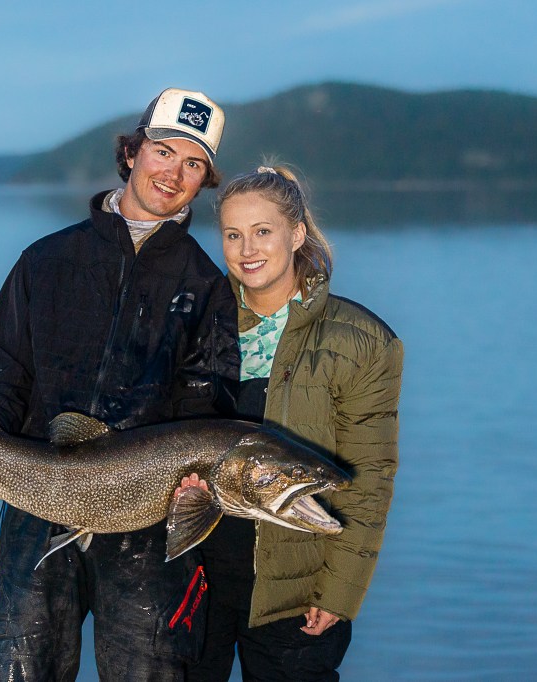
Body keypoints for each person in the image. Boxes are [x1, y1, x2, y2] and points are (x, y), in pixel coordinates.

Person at [0, 88, 240, 681]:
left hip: (150, 521)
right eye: (163, 152)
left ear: (204, 181)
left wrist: (198, 482)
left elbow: (207, 407)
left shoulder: (208, 288)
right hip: (37, 500)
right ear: (131, 153)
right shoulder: (45, 260)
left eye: (193, 164)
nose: (173, 174)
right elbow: (5, 374)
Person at [183, 165, 403, 681]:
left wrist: (340, 592)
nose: (247, 249)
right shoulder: (197, 324)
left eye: (263, 231)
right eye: (233, 235)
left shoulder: (361, 340)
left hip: (297, 594)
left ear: (297, 234)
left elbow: (369, 481)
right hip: (198, 575)